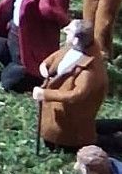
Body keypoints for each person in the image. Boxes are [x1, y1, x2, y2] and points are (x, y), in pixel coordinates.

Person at [33, 19, 108, 151]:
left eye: (69, 31)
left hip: (71, 113)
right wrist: (45, 64)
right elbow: (59, 55)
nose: (65, 30)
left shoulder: (88, 70)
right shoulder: (75, 46)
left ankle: (111, 141)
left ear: (76, 40)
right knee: (52, 134)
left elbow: (76, 95)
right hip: (59, 106)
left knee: (64, 142)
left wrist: (45, 94)